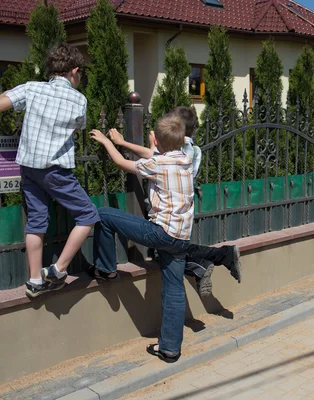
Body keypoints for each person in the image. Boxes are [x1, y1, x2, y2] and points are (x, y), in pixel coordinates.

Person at [90, 114, 194, 363]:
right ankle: (169, 349)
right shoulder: (186, 159)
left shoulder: (158, 165)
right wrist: (126, 142)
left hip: (160, 233)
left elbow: (122, 164)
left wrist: (107, 142)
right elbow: (153, 155)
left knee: (104, 215)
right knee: (174, 289)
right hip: (182, 237)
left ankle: (106, 269)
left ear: (157, 140)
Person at [105, 107, 241, 296]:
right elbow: (152, 155)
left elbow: (153, 158)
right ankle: (211, 261)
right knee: (172, 258)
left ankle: (208, 262)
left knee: (165, 248)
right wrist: (128, 143)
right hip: (180, 218)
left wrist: (118, 143)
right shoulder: (188, 152)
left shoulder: (178, 153)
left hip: (166, 212)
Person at [0, 43, 100, 298]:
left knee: (36, 221)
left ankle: (34, 281)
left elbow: (4, 102)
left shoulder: (32, 88)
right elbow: (77, 129)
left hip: (29, 168)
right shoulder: (79, 100)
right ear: (74, 71)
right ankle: (57, 270)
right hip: (56, 171)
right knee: (88, 214)